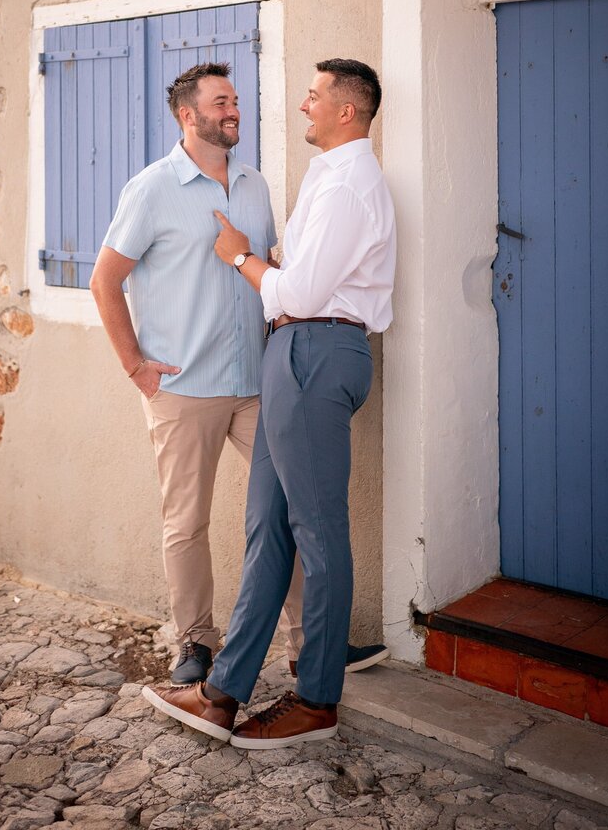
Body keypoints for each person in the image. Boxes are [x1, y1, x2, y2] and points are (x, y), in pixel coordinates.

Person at [143, 58, 396, 748]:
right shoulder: (326, 177)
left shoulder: (351, 184)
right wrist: (272, 267)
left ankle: (317, 699)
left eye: (313, 96)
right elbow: (295, 274)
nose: (302, 105)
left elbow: (302, 293)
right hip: (291, 354)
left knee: (317, 531)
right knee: (268, 532)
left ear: (347, 110)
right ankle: (223, 692)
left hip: (316, 350)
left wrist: (238, 257)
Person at [89, 61, 304, 684]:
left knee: (288, 510)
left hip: (256, 385)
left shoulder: (256, 185)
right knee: (187, 522)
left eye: (235, 100)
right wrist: (136, 366)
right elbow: (105, 281)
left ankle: (305, 642)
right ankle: (194, 644)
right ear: (189, 115)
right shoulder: (151, 189)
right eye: (221, 102)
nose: (234, 110)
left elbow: (263, 269)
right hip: (183, 388)